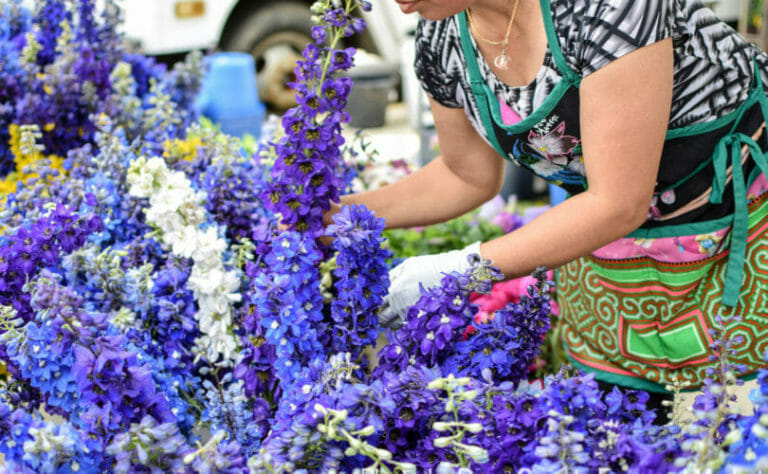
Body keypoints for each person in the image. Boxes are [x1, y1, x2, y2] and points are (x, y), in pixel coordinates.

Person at [332, 0, 768, 409]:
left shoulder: (607, 8)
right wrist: (336, 216)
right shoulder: (441, 38)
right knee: (617, 432)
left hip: (740, 238)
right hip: (616, 270)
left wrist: (463, 270)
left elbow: (617, 201)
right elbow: (465, 174)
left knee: (734, 427)